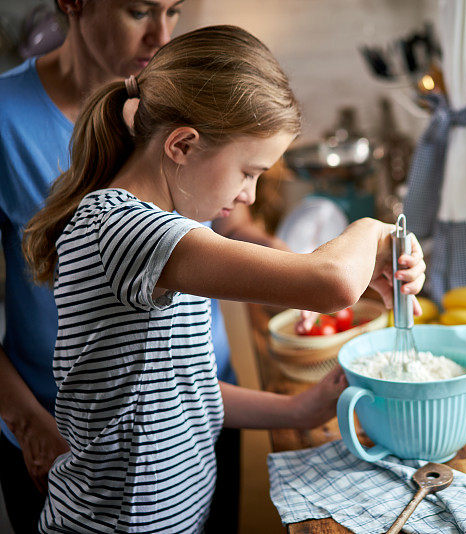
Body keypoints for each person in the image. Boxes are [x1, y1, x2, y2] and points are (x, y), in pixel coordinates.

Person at [21, 24, 425, 533]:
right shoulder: (122, 228)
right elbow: (331, 284)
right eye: (248, 172)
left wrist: (299, 410)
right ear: (183, 146)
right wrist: (373, 230)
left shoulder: (163, 231)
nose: (250, 197)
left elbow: (180, 389)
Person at [0, 2, 282, 531]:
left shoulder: (159, 104)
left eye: (174, 10)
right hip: (72, 437)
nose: (162, 33)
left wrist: (295, 263)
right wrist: (28, 424)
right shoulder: (4, 118)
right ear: (74, 3)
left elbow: (222, 217)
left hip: (202, 409)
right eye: (139, 10)